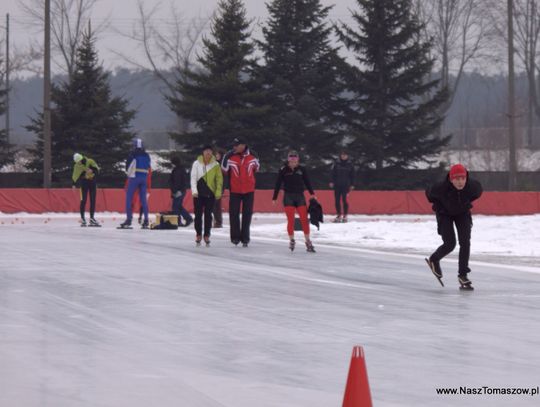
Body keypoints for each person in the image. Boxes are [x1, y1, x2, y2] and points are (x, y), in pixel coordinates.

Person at [425, 163, 483, 290]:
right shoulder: (440, 188)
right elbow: (429, 195)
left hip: (462, 212)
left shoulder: (473, 187)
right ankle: (434, 259)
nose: (460, 182)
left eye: (463, 178)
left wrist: (465, 203)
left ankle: (463, 275)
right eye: (457, 179)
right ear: (451, 179)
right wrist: (439, 205)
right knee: (450, 244)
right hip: (444, 213)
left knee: (465, 242)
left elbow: (476, 194)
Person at [272, 151, 317, 252]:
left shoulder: (302, 169)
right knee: (291, 220)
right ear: (288, 161)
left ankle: (308, 241)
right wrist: (274, 197)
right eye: (291, 161)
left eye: (295, 161)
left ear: (297, 161)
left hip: (300, 196)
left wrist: (312, 193)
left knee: (304, 219)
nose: (293, 163)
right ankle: (292, 240)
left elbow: (307, 181)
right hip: (288, 197)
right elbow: (278, 184)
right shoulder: (283, 170)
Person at [221, 137, 260, 247]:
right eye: (234, 145)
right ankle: (235, 237)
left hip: (249, 190)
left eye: (236, 145)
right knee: (233, 214)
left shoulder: (253, 155)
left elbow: (257, 168)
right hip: (235, 190)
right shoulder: (230, 156)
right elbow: (224, 170)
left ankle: (245, 238)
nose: (234, 147)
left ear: (243, 146)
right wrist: (226, 156)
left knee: (247, 214)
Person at [190, 145, 223, 245]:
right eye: (206, 151)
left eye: (210, 151)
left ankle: (207, 235)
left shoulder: (216, 165)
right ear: (203, 153)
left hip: (210, 195)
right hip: (198, 195)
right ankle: (198, 233)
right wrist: (194, 191)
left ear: (212, 153)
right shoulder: (196, 163)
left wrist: (218, 192)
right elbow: (193, 178)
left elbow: (219, 179)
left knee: (208, 216)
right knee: (198, 215)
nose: (208, 153)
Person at [120, 138, 151, 228]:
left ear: (134, 146)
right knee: (143, 201)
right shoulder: (147, 155)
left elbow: (127, 167)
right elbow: (148, 166)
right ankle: (146, 220)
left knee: (129, 198)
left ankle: (129, 220)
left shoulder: (132, 154)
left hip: (135, 177)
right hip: (144, 178)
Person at [72, 153, 100, 226]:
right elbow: (75, 175)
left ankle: (92, 218)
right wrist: (74, 184)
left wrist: (92, 171)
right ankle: (83, 218)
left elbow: (97, 169)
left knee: (93, 200)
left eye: (79, 161)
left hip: (92, 183)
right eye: (77, 162)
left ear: (81, 159)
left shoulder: (90, 161)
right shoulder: (77, 166)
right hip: (83, 184)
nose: (79, 163)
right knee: (83, 200)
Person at [330, 150, 355, 223]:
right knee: (337, 200)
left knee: (344, 200)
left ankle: (345, 215)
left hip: (346, 186)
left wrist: (352, 184)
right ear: (340, 156)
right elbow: (332, 173)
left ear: (347, 156)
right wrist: (331, 181)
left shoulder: (350, 165)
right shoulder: (336, 164)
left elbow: (353, 175)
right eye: (342, 155)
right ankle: (339, 215)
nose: (343, 156)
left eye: (345, 155)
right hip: (337, 185)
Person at [169, 156, 193, 227]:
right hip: (182, 190)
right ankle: (185, 219)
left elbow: (177, 182)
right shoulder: (182, 169)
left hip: (178, 191)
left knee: (176, 207)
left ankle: (182, 220)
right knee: (178, 206)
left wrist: (174, 191)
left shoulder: (177, 170)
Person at [212, 149, 225, 228]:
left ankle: (218, 221)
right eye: (216, 155)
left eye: (218, 155)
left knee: (215, 205)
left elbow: (224, 178)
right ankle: (218, 221)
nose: (216, 156)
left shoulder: (222, 165)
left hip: (219, 187)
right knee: (215, 205)